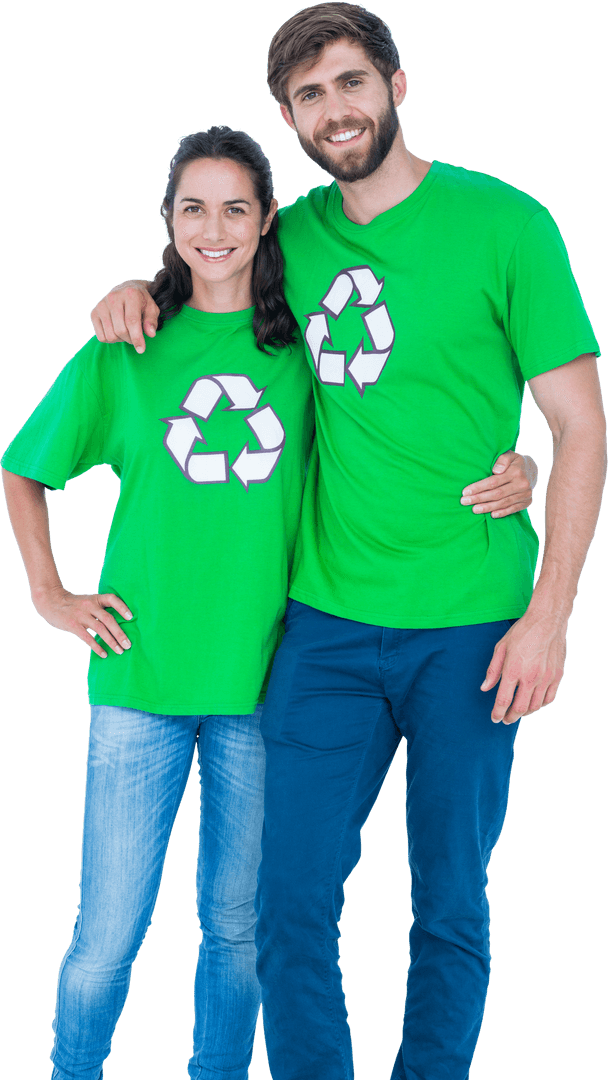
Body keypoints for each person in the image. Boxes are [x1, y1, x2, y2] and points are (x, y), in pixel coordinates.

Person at [84, 7, 604, 1078]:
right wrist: (131, 290)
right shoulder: (292, 235)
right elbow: (204, 274)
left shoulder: (508, 225)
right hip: (321, 626)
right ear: (289, 117)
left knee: (449, 899)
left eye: (351, 81)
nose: (336, 109)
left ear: (396, 86)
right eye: (309, 95)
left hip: (472, 625)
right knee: (284, 900)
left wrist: (550, 616)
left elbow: (581, 425)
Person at [1, 125, 317, 1080]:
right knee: (106, 935)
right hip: (139, 678)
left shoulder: (307, 351)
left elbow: (391, 440)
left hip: (264, 681)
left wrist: (516, 466)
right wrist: (48, 591)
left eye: (235, 208)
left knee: (235, 928)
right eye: (193, 208)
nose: (213, 229)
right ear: (170, 221)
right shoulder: (125, 346)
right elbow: (25, 466)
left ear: (268, 220)